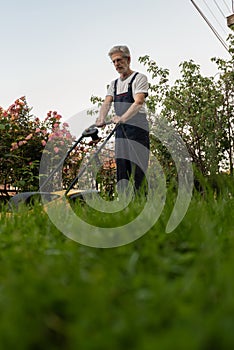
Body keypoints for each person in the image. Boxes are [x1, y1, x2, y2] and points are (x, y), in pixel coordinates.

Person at [96, 45, 149, 194]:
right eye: (114, 62)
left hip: (137, 128)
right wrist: (101, 118)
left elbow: (138, 102)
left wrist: (123, 118)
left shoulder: (139, 78)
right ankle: (124, 205)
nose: (117, 64)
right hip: (121, 130)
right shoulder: (113, 84)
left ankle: (143, 203)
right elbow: (107, 102)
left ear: (128, 59)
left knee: (138, 168)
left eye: (119, 60)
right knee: (121, 167)